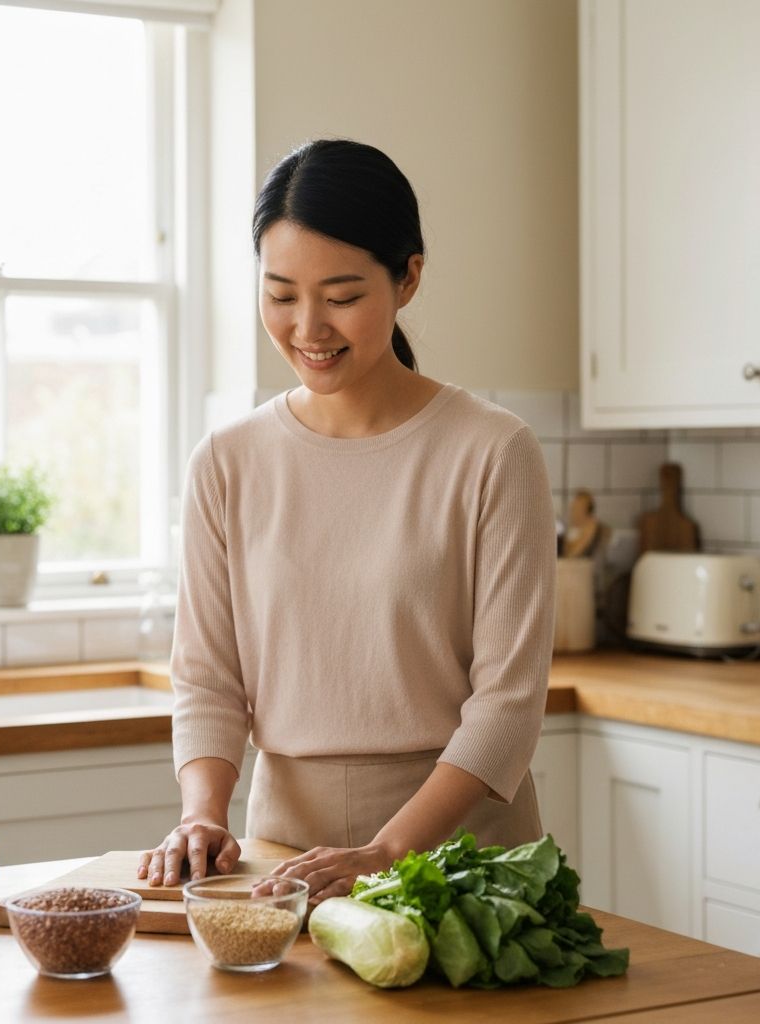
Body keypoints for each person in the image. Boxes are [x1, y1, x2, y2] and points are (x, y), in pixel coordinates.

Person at [138, 139, 555, 904]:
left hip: (464, 861)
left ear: (409, 278)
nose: (308, 327)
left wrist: (387, 850)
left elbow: (509, 704)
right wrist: (201, 815)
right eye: (281, 293)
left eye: (341, 295)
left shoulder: (494, 451)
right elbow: (207, 678)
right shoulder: (226, 462)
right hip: (283, 861)